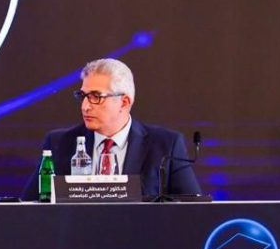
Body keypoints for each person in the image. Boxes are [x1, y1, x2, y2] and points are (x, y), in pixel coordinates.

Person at [22, 58, 201, 200]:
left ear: (124, 102)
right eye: (83, 96)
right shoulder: (59, 144)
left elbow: (192, 210)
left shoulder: (166, 146)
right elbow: (29, 208)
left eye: (96, 97)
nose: (85, 106)